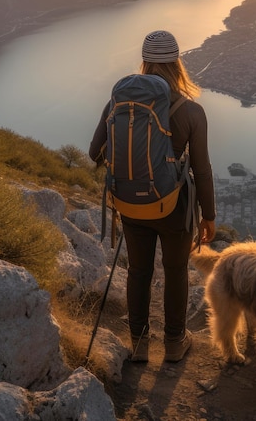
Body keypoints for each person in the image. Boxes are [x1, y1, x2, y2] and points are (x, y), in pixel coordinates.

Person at [89, 29, 216, 363]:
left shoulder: (119, 101)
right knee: (175, 271)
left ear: (144, 62)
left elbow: (93, 153)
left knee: (139, 272)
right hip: (174, 207)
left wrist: (128, 165)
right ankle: (174, 344)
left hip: (131, 202)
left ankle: (139, 343)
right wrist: (209, 216)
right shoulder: (191, 111)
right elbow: (201, 169)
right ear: (177, 63)